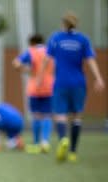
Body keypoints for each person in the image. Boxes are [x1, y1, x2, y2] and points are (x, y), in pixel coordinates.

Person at [39, 12, 105, 162]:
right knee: (76, 116)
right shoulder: (83, 40)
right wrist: (98, 78)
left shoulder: (56, 38)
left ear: (63, 24)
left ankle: (63, 139)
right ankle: (73, 152)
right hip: (79, 83)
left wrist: (41, 77)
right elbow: (91, 60)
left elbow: (46, 59)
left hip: (61, 82)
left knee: (60, 114)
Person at [13, 34, 53, 154]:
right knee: (47, 115)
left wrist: (26, 71)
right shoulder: (49, 51)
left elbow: (16, 63)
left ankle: (36, 143)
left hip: (34, 87)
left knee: (36, 115)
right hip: (49, 86)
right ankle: (45, 142)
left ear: (31, 43)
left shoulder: (31, 51)